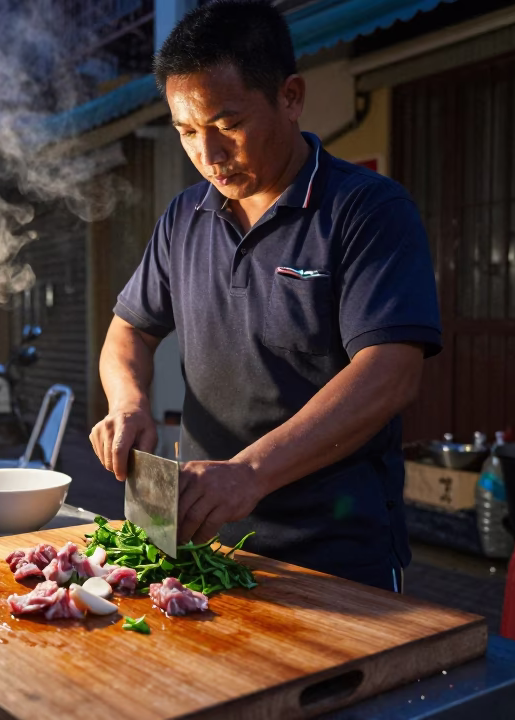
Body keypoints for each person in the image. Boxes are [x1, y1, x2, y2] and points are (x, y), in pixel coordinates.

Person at [89, 1, 441, 592]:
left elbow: (391, 373)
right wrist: (127, 403)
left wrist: (250, 472)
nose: (208, 154)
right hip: (205, 541)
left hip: (332, 552)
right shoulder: (184, 218)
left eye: (227, 125)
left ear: (291, 97)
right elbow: (129, 330)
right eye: (186, 132)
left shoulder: (367, 211)